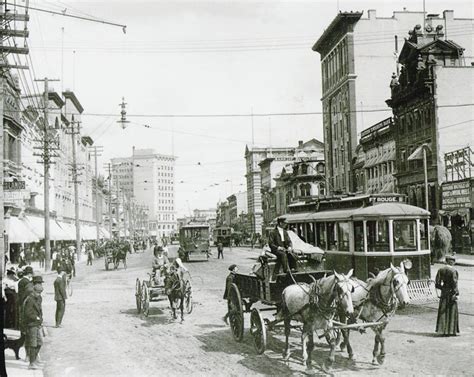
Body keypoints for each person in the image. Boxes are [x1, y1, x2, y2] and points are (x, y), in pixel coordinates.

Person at [435, 254, 460, 336]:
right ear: (451, 262)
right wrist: (456, 293)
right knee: (451, 311)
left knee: (443, 311)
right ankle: (451, 331)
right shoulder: (453, 271)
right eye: (453, 261)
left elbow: (437, 284)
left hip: (444, 293)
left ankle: (442, 330)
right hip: (451, 293)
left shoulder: (441, 270)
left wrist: (443, 288)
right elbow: (454, 284)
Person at [23, 275, 44, 370]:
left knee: (40, 342)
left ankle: (34, 360)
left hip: (37, 324)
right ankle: (31, 363)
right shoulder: (30, 299)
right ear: (34, 291)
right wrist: (37, 318)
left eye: (40, 293)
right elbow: (27, 313)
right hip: (31, 324)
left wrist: (41, 320)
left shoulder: (38, 298)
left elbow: (40, 310)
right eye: (38, 293)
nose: (39, 294)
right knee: (33, 343)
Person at [17, 266, 34, 334]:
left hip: (21, 300)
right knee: (25, 318)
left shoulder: (21, 281)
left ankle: (23, 333)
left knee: (22, 318)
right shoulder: (27, 282)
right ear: (29, 274)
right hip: (25, 301)